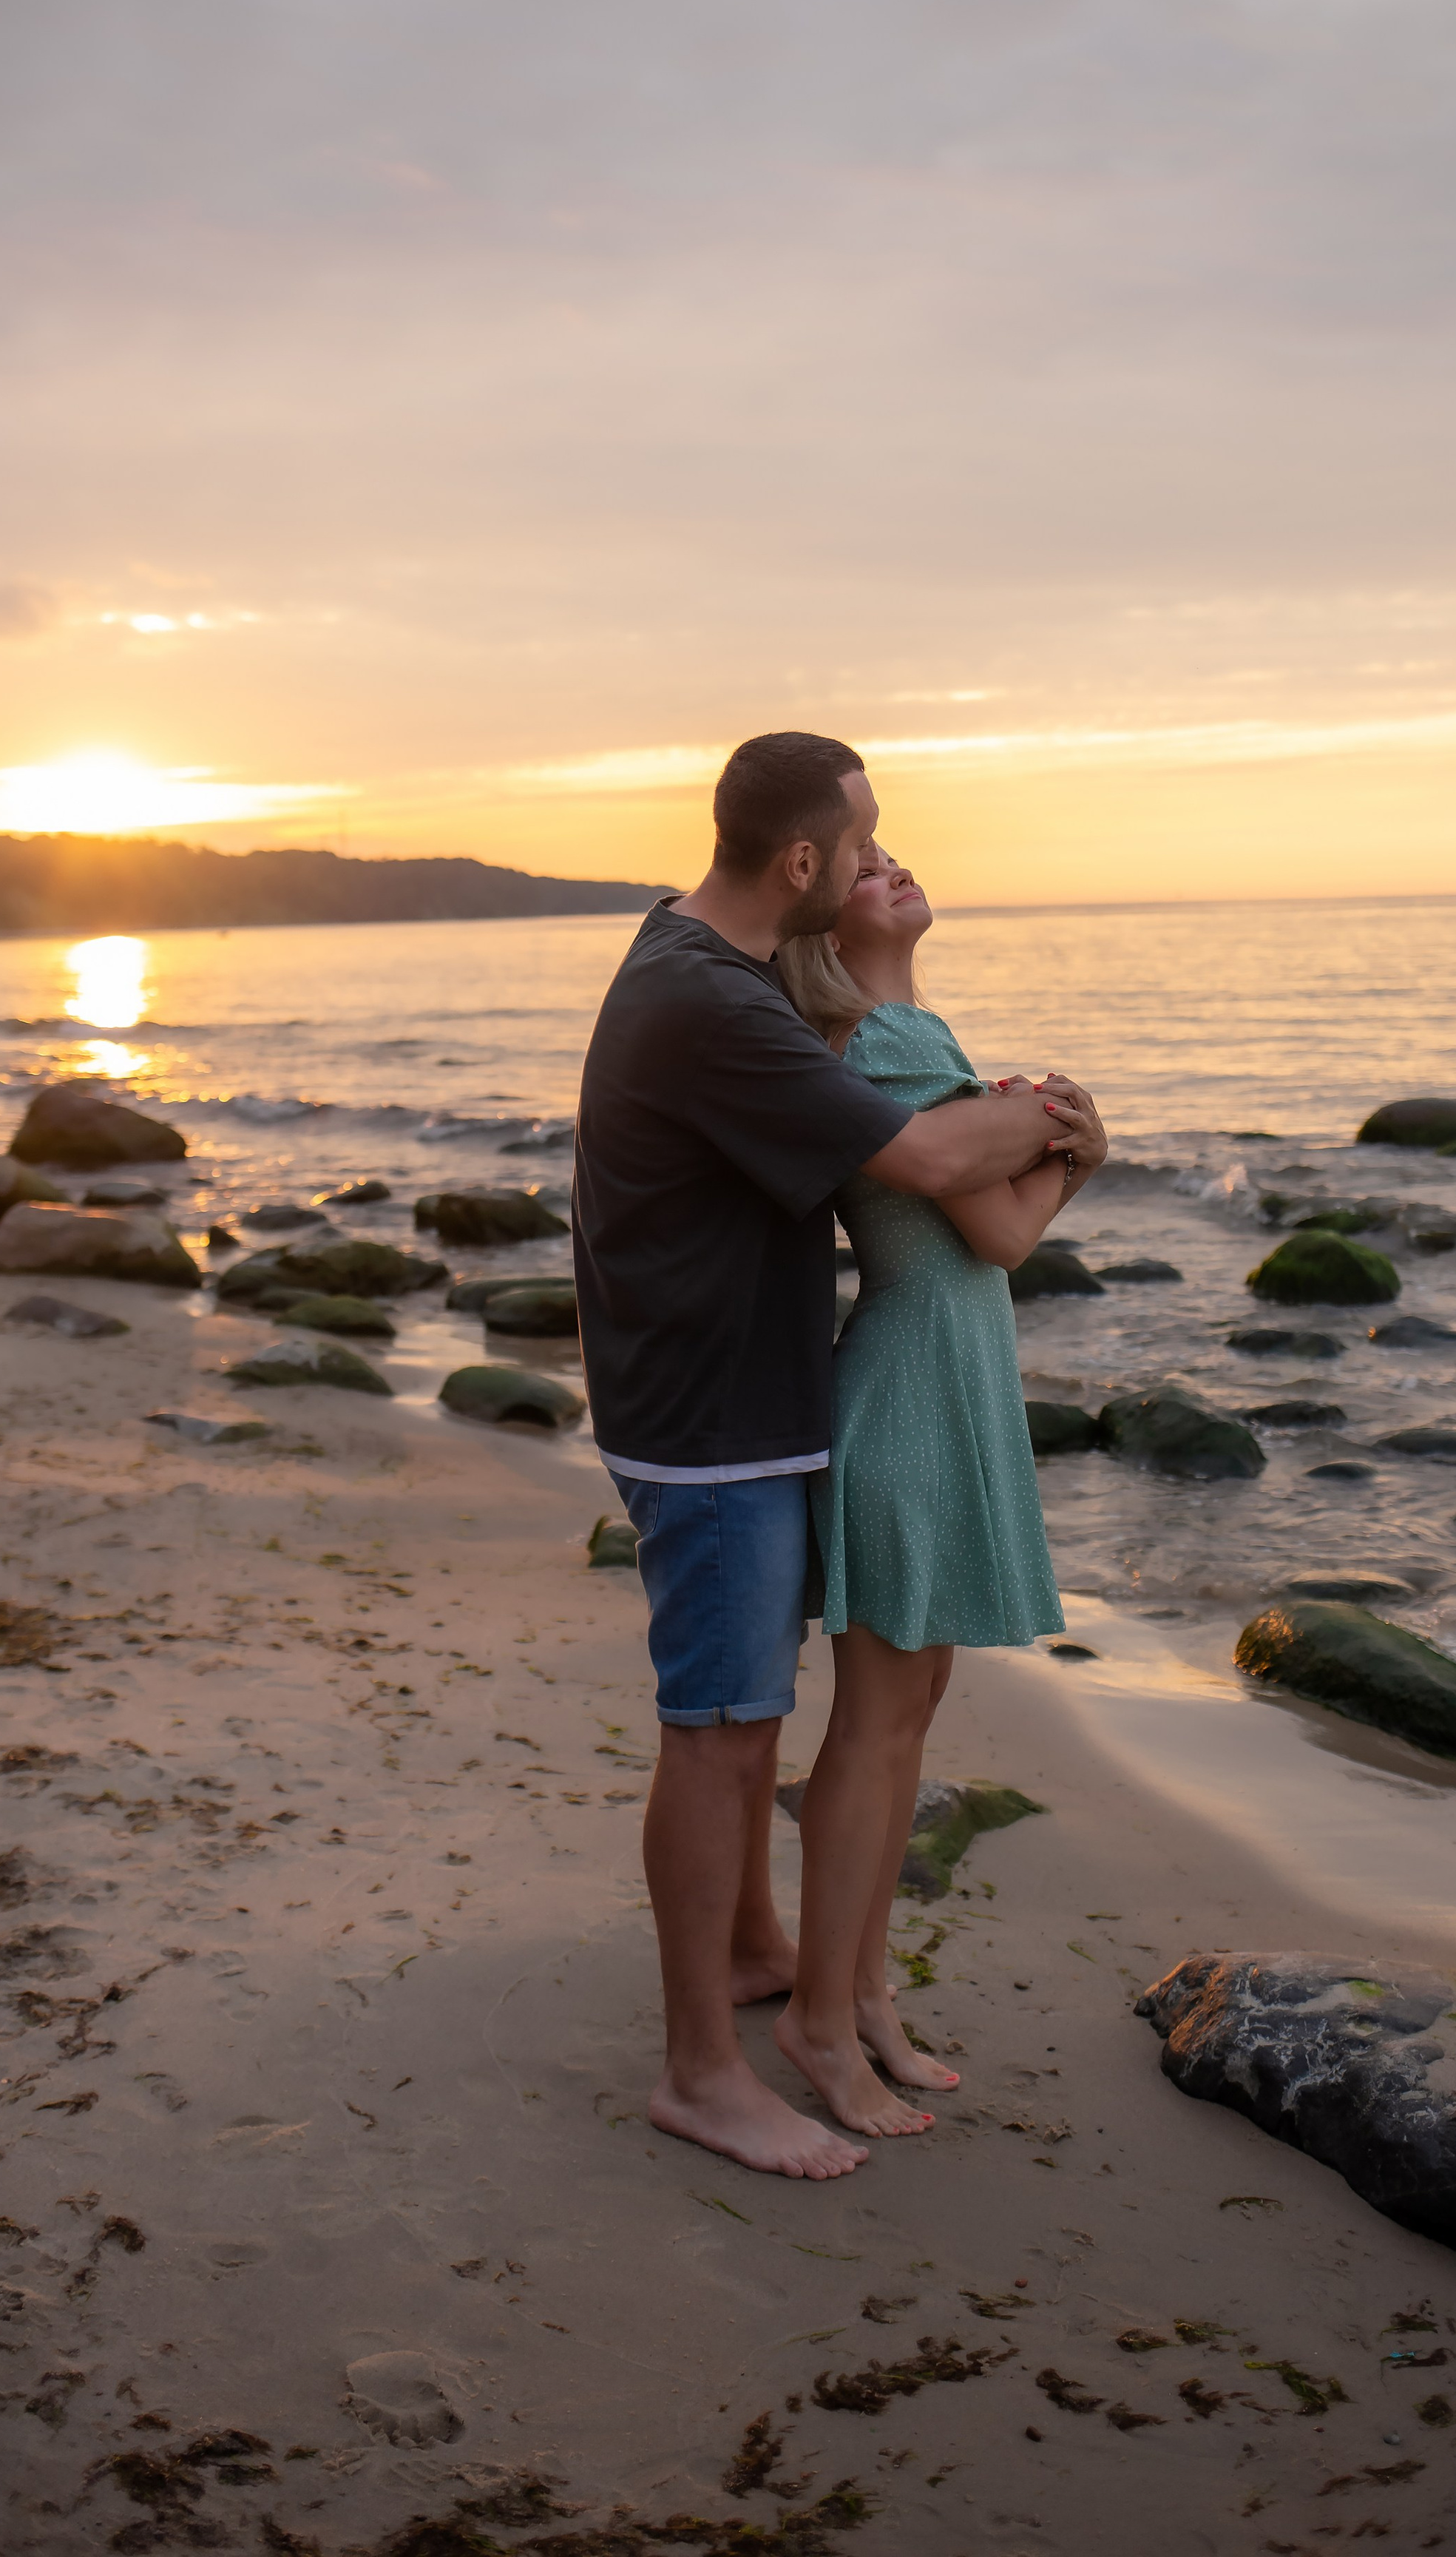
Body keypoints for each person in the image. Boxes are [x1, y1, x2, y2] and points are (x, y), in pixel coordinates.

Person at [572, 732, 1096, 2180]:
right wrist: (1065, 1119)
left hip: (736, 1397)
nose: (877, 858)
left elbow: (933, 1162)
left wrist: (1013, 1115)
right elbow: (936, 1170)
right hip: (711, 1423)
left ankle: (756, 1955)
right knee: (724, 1735)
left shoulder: (700, 961)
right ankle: (700, 2074)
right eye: (859, 841)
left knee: (747, 1726)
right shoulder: (712, 1002)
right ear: (799, 862)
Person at [773, 850, 1103, 2137]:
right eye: (862, 865)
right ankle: (820, 2015)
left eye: (892, 851)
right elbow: (1004, 1236)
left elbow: (999, 1223)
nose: (890, 864)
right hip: (912, 1391)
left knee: (907, 1712)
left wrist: (1066, 1141)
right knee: (878, 1722)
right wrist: (1078, 1145)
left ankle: (862, 1995)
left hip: (931, 1380)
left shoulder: (903, 1033)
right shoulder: (889, 1039)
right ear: (822, 915)